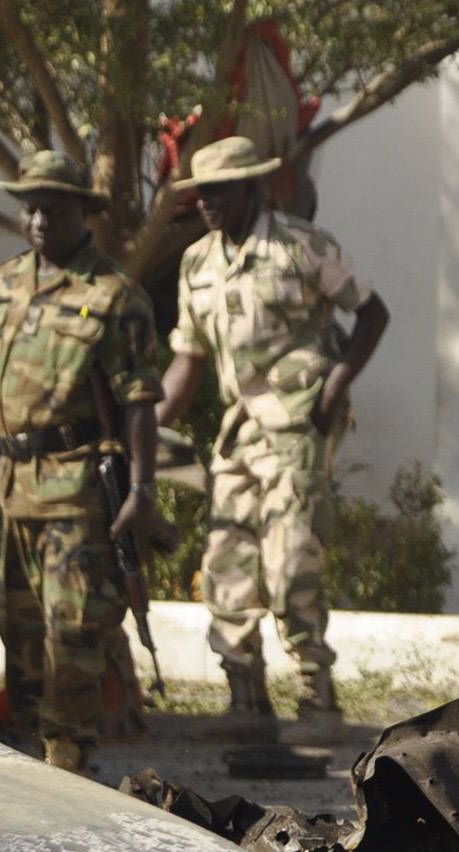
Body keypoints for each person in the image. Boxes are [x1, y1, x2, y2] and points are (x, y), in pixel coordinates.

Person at [155, 134, 389, 733]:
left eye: (220, 191)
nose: (207, 202)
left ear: (252, 187)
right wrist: (149, 421)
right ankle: (245, 697)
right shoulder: (197, 262)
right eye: (201, 192)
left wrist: (336, 387)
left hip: (297, 424)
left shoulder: (303, 246)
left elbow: (372, 312)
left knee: (291, 563)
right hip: (240, 431)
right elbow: (189, 358)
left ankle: (317, 696)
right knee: (225, 561)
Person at [0, 151, 162, 774]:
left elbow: (140, 400)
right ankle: (32, 758)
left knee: (73, 636)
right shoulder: (5, 283)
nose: (39, 219)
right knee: (19, 631)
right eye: (30, 207)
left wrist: (141, 492)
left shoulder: (115, 295)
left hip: (76, 490)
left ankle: (69, 763)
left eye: (53, 208)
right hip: (15, 488)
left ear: (81, 212)